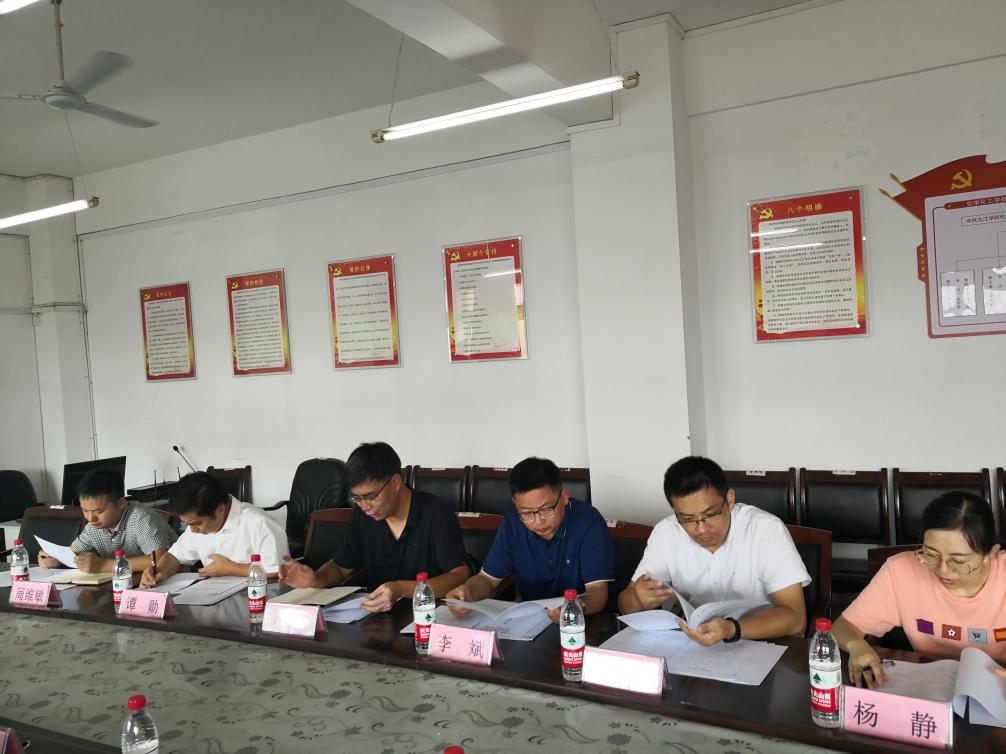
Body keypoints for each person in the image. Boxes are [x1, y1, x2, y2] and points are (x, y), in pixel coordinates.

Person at [619, 455, 809, 645]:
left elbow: (796, 619)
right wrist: (636, 600)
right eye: (687, 519)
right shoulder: (666, 533)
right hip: (696, 644)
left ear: (730, 499)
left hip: (765, 642)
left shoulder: (766, 530)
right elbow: (626, 605)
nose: (701, 529)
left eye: (710, 515)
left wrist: (731, 629)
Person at [833, 492, 1006, 688]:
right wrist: (857, 646)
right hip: (931, 685)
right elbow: (844, 626)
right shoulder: (901, 571)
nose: (943, 570)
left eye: (958, 560)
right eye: (931, 554)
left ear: (991, 553)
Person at [278, 442, 468, 613]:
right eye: (357, 498)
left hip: (426, 617)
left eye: (370, 497)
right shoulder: (364, 515)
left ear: (395, 482)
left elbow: (459, 575)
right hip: (377, 618)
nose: (365, 506)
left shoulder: (436, 514)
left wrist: (400, 589)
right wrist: (316, 579)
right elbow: (340, 567)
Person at [446, 457, 614, 623]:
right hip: (531, 621)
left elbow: (598, 592)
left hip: (582, 623)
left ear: (564, 497)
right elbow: (487, 580)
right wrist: (467, 593)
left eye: (546, 510)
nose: (538, 521)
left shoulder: (588, 522)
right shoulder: (513, 524)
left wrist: (576, 606)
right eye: (527, 513)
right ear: (515, 504)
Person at [139, 471, 288, 587]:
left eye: (196, 524)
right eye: (188, 524)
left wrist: (230, 568)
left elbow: (278, 572)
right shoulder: (197, 525)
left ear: (219, 509)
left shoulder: (259, 523)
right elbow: (174, 557)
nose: (193, 530)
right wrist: (159, 571)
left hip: (256, 599)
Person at [38, 467, 176, 573]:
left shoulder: (141, 518)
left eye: (99, 511)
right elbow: (73, 552)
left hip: (170, 582)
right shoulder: (93, 526)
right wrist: (55, 559)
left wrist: (104, 565)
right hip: (126, 584)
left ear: (121, 503)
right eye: (85, 511)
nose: (91, 518)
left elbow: (160, 559)